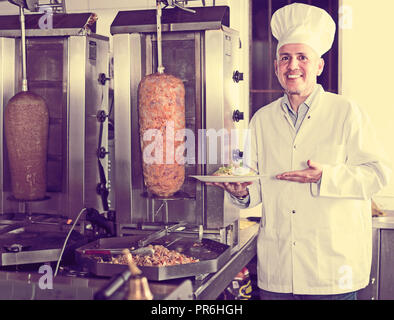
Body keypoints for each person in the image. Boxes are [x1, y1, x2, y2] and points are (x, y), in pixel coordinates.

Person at [208, 3, 392, 300]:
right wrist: (241, 191)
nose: (293, 66)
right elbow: (255, 185)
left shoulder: (347, 112)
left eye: (302, 57)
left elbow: (377, 174)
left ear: (319, 66)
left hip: (332, 273)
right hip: (278, 273)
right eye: (285, 58)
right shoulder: (261, 119)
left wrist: (325, 177)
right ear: (276, 66)